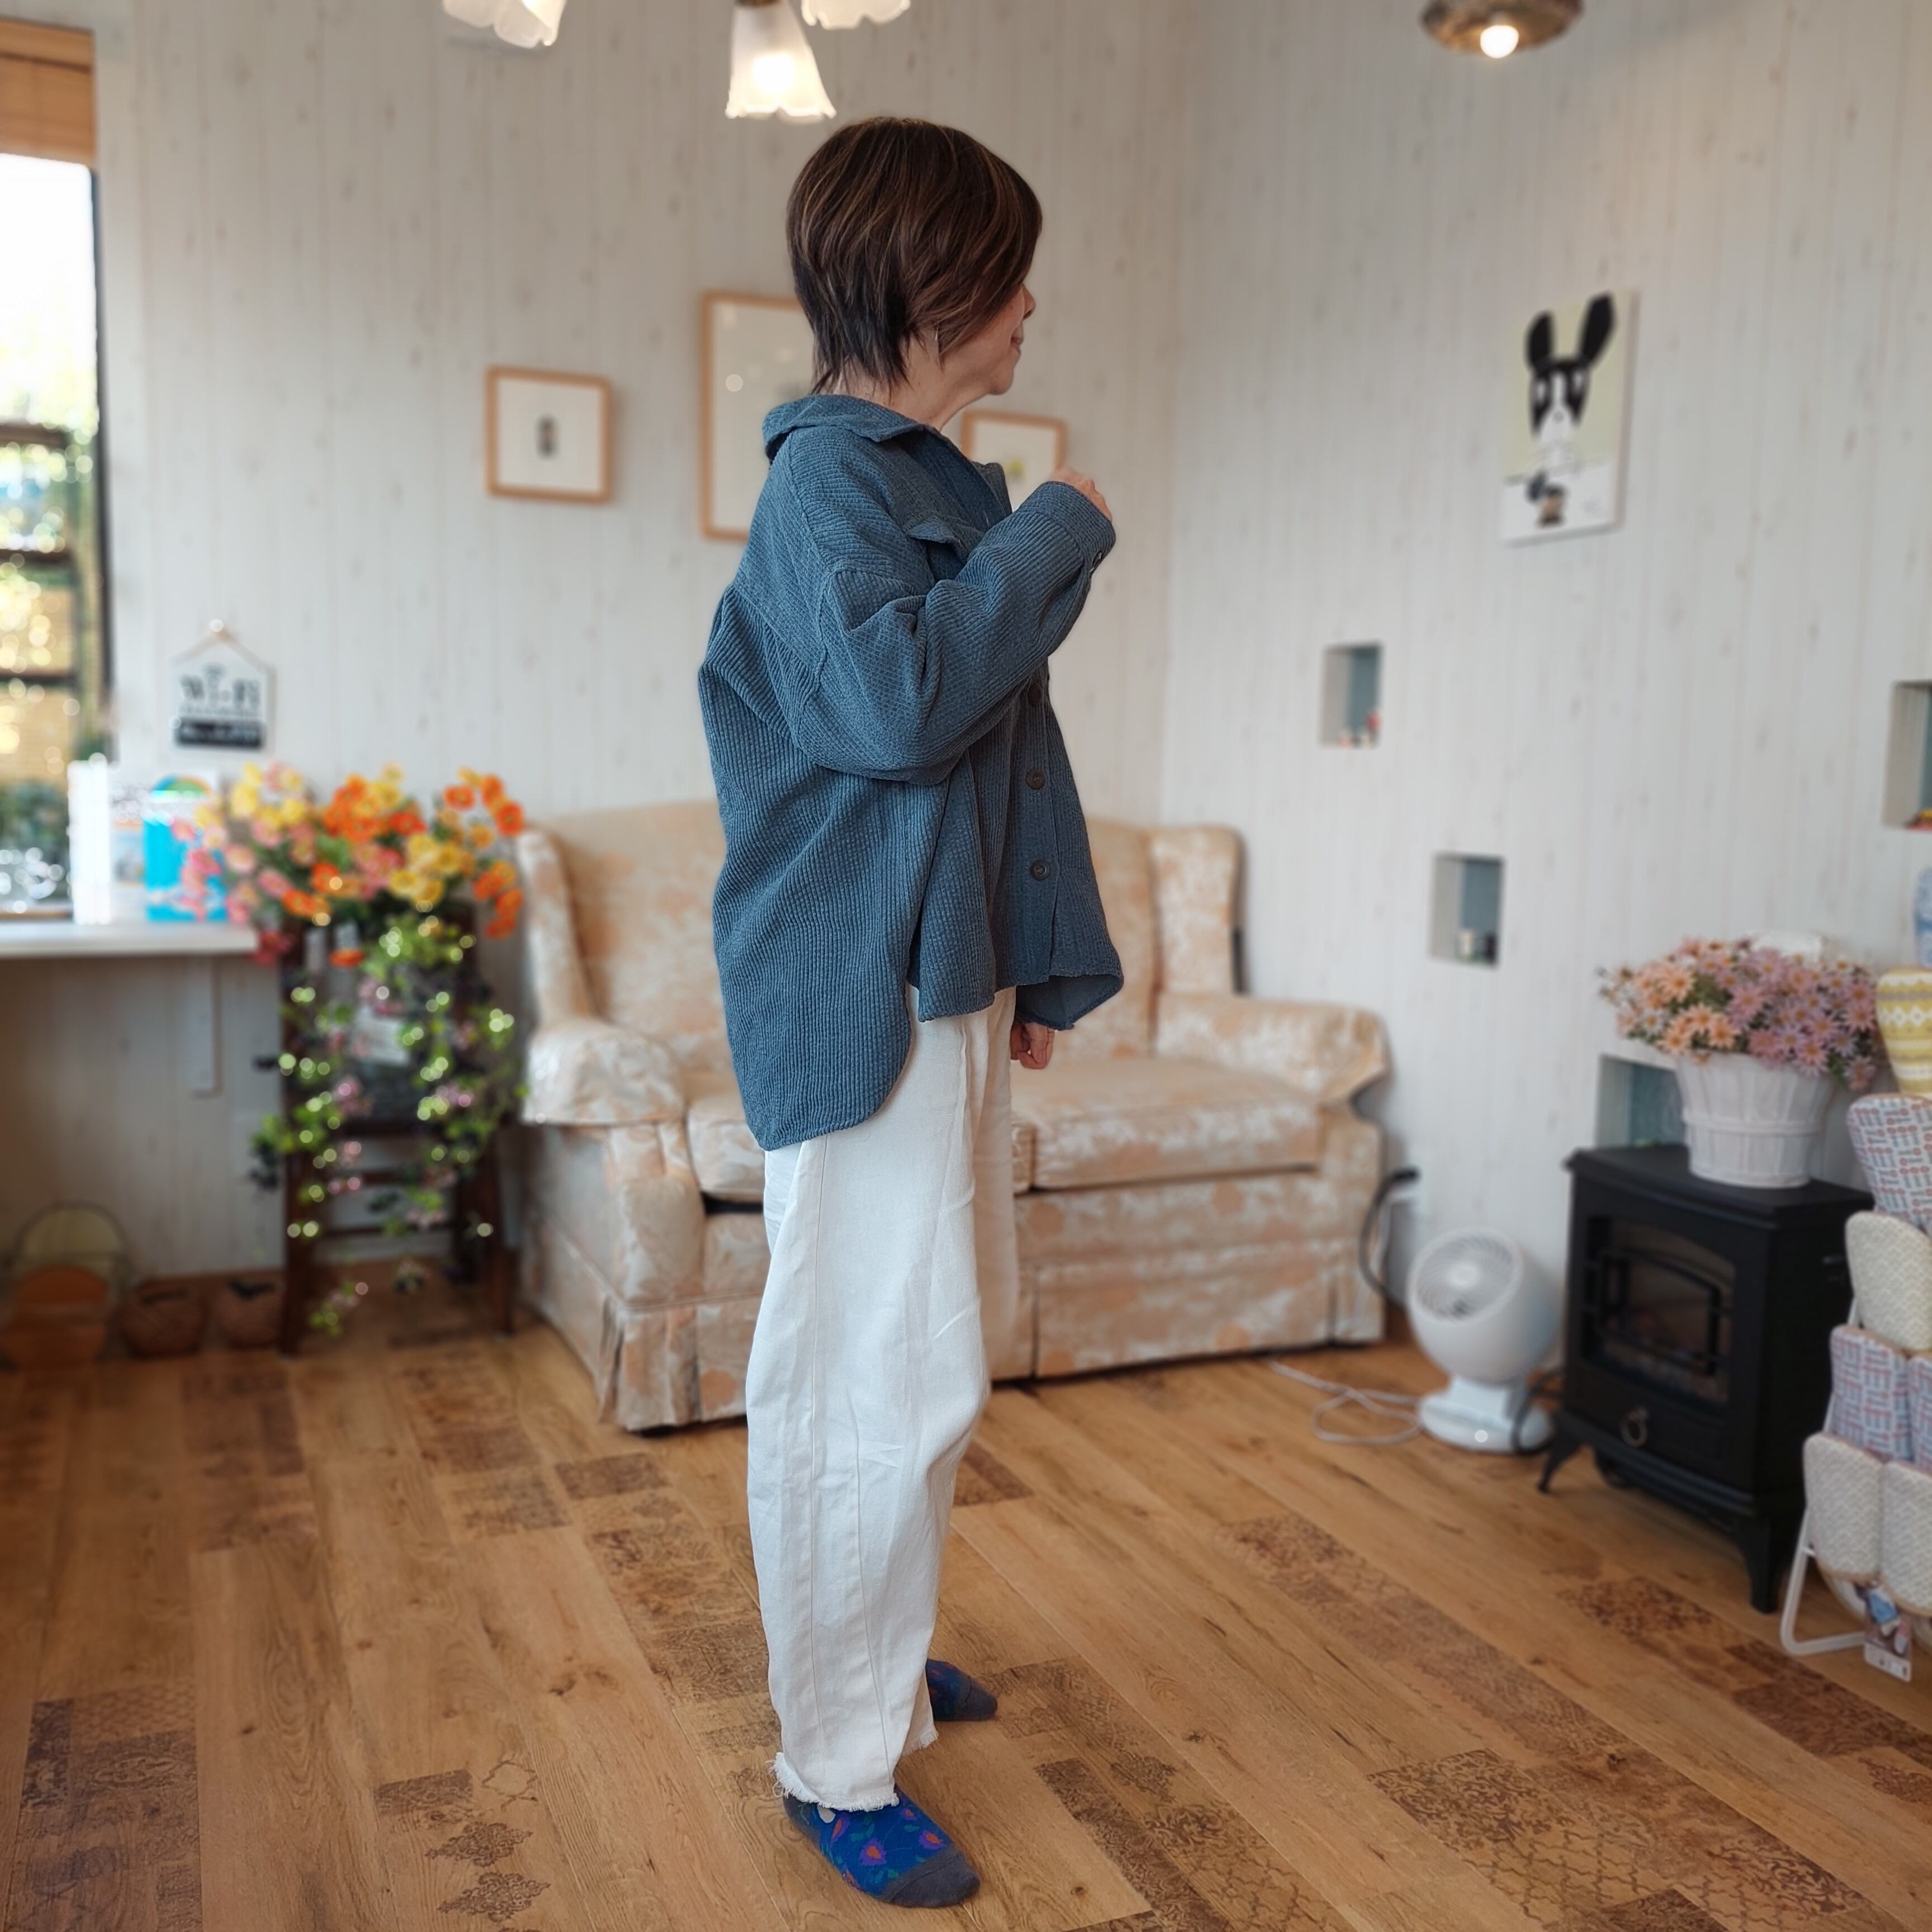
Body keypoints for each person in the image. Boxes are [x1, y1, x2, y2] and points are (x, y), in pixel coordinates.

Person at [699, 116, 1121, 1910]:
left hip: (941, 978)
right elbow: (896, 714)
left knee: (931, 1357)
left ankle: (872, 1653)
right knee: (864, 1383)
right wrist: (1059, 531)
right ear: (938, 283)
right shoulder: (828, 490)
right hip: (861, 991)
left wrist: (1038, 963)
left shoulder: (925, 485)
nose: (1030, 312)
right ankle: (837, 1755)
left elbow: (1001, 761)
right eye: (1011, 279)